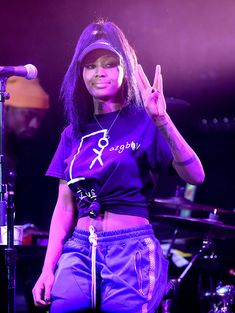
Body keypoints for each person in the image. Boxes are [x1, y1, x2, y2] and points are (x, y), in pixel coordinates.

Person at [32, 20, 205, 313]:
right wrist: (48, 269)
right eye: (90, 66)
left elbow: (195, 175)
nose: (98, 72)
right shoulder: (72, 132)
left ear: (125, 69)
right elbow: (63, 208)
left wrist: (162, 120)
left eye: (109, 64)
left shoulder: (145, 120)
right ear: (80, 75)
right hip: (79, 249)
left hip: (130, 249)